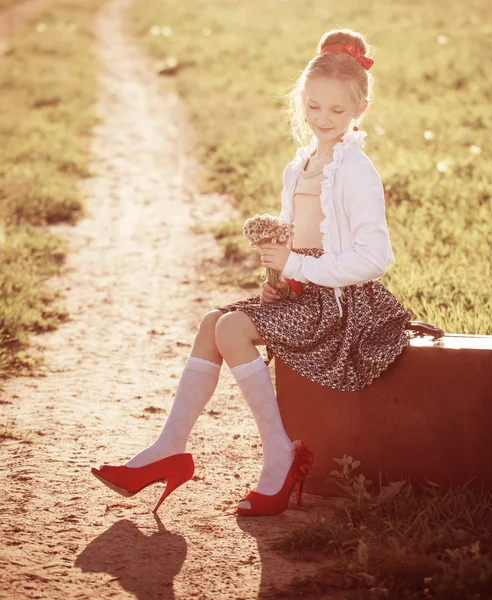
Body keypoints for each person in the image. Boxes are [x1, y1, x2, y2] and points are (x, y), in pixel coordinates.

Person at [91, 28, 412, 517]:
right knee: (210, 324)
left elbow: (374, 258)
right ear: (302, 100)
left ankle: (280, 455)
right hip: (301, 296)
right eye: (313, 107)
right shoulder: (299, 165)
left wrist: (298, 264)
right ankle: (168, 449)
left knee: (232, 328)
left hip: (343, 306)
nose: (322, 120)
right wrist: (278, 278)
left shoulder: (355, 170)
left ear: (358, 111)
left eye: (336, 111)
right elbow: (294, 237)